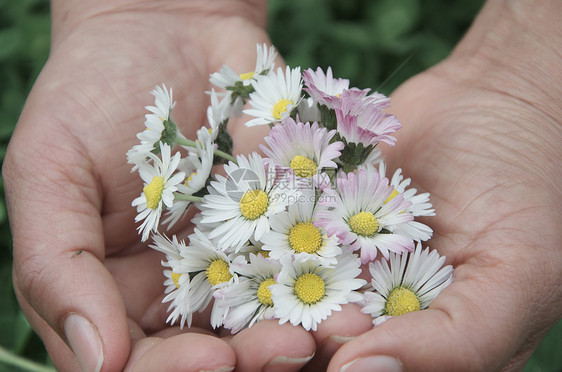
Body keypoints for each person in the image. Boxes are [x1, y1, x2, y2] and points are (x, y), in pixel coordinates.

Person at [4, 0, 561, 371]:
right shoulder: (272, 198)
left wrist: (531, 86)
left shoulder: (317, 202)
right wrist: (140, 8)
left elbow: (324, 214)